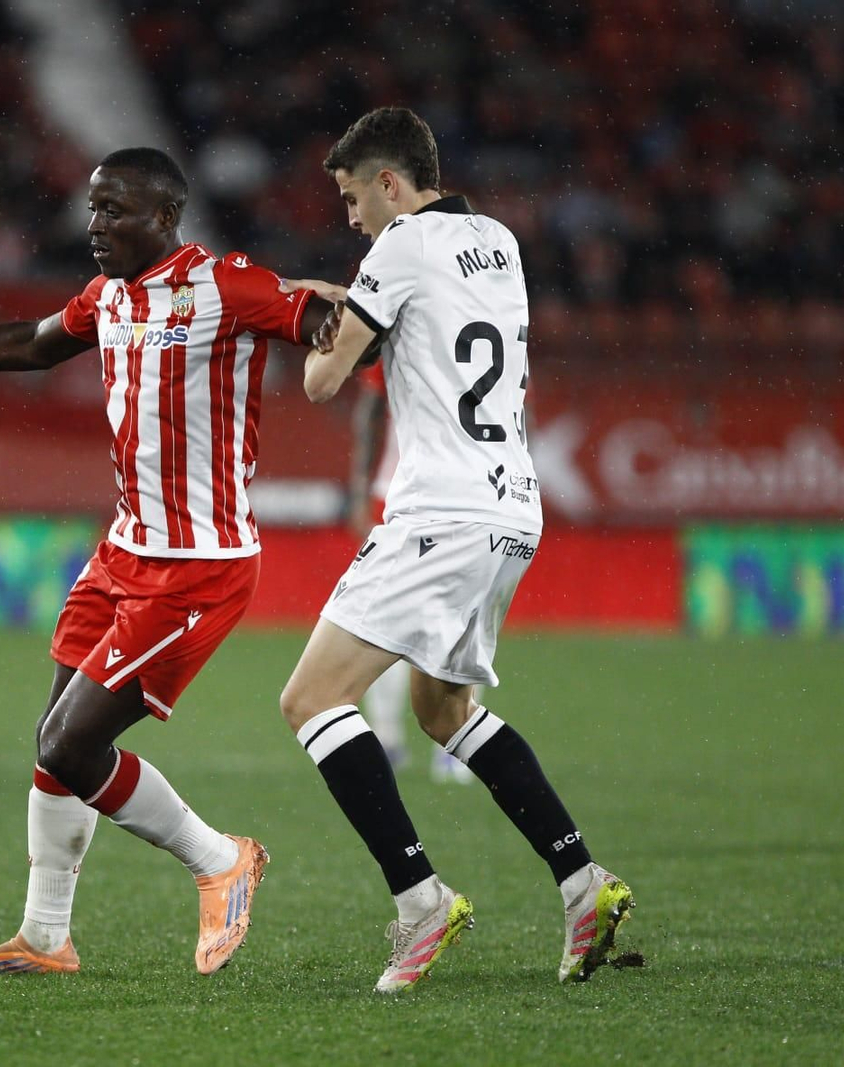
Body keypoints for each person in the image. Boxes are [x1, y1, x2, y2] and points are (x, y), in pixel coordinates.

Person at [0, 147, 334, 976]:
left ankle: (220, 859)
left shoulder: (224, 285)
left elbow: (316, 322)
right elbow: (33, 345)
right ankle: (47, 937)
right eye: (92, 209)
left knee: (71, 744)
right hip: (122, 550)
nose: (95, 227)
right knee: (54, 746)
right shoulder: (108, 297)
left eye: (115, 211)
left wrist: (347, 318)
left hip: (198, 563)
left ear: (164, 218)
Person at [277, 107, 635, 992]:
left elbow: (325, 382)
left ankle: (419, 901)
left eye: (355, 196)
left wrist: (310, 319)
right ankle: (584, 880)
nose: (352, 217)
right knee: (442, 711)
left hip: (440, 508)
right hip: (513, 507)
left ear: (391, 184)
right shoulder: (500, 241)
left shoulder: (396, 248)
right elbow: (441, 330)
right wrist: (366, 307)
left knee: (311, 697)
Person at [347, 366, 472, 784]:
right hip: (460, 494)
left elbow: (369, 411)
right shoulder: (490, 328)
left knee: (384, 615)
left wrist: (358, 484)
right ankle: (450, 744)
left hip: (402, 488)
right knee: (453, 616)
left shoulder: (401, 332)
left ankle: (389, 739)